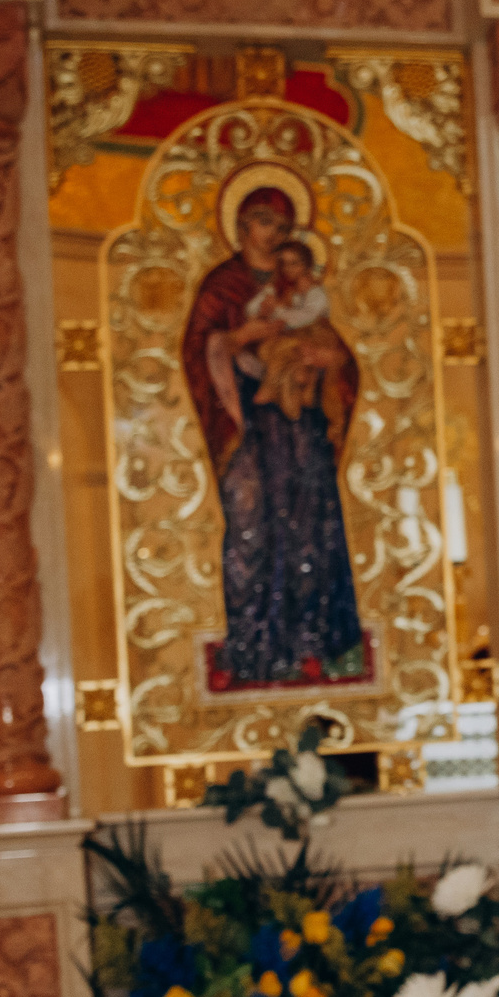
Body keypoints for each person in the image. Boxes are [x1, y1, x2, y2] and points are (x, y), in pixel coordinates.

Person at [181, 188, 367, 689]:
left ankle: (314, 646)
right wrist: (239, 338)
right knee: (250, 525)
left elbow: (336, 351)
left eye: (282, 226)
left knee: (310, 527)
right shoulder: (223, 285)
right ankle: (255, 649)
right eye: (265, 221)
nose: (273, 233)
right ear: (242, 225)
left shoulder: (299, 285)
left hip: (299, 426)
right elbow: (200, 348)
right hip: (248, 425)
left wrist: (329, 361)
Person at [243, 238, 350, 430]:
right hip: (297, 337)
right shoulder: (288, 292)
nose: (288, 269)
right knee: (270, 351)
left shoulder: (317, 293)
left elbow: (305, 317)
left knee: (284, 354)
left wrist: (277, 310)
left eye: (294, 263)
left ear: (307, 265)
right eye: (283, 263)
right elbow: (252, 309)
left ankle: (271, 393)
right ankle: (289, 409)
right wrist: (264, 307)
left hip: (317, 337)